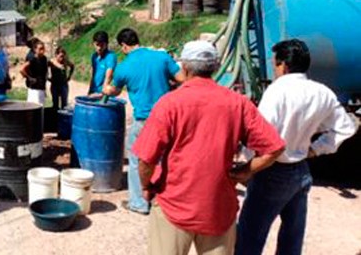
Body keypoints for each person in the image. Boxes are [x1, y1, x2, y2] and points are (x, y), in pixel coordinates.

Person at [132, 41, 286, 255]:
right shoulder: (238, 103)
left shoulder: (170, 103)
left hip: (174, 204)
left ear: (184, 67)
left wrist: (146, 186)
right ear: (214, 68)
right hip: (218, 208)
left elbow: (146, 160)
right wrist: (245, 171)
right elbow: (274, 148)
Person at [235, 39, 359, 255]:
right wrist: (315, 149)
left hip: (272, 171)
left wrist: (248, 165)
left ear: (283, 65)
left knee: (250, 236)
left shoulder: (276, 92)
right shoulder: (322, 92)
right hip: (301, 169)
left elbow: (261, 135)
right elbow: (346, 128)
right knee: (292, 239)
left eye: (275, 64)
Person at [103, 28, 184, 215]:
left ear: (123, 46)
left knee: (136, 159)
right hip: (167, 119)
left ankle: (139, 203)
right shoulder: (161, 57)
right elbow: (183, 79)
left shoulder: (124, 67)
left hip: (144, 121)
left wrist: (106, 89)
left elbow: (114, 91)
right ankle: (165, 201)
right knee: (165, 159)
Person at [88, 31, 117, 96]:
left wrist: (103, 93)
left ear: (106, 44)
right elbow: (93, 75)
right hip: (94, 91)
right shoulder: (94, 56)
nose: (99, 48)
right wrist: (90, 91)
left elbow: (109, 76)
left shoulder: (110, 56)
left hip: (104, 94)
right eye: (97, 45)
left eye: (102, 45)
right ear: (93, 44)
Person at [21, 39, 48, 106]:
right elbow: (22, 69)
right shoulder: (32, 59)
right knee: (33, 108)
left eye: (43, 48)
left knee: (41, 108)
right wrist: (29, 78)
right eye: (40, 49)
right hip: (34, 89)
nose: (42, 51)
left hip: (41, 87)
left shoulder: (44, 59)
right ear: (35, 50)